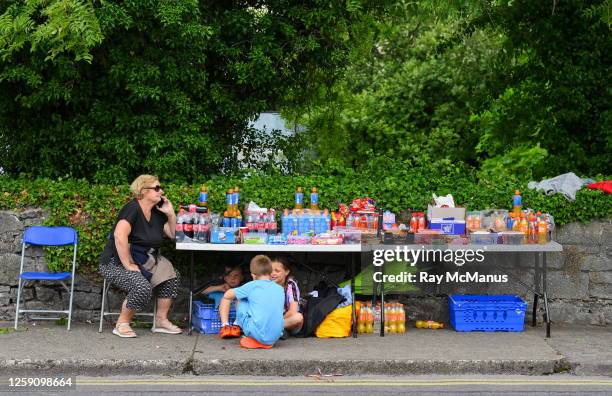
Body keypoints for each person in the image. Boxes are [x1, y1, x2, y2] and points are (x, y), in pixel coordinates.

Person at [99, 174, 182, 338]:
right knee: (141, 287)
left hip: (145, 260)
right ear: (142, 191)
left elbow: (172, 234)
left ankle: (160, 320)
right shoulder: (132, 208)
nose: (161, 191)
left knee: (172, 276)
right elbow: (119, 236)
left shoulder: (157, 213)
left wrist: (171, 214)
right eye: (157, 188)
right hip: (114, 262)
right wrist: (128, 265)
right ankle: (122, 324)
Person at [218, 255, 284, 349]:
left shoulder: (252, 285)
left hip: (256, 332)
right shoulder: (280, 289)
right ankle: (264, 342)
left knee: (241, 298)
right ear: (270, 272)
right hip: (276, 335)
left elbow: (227, 295)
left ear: (253, 275)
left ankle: (226, 326)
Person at [270, 256, 304, 337]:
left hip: (287, 320)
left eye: (277, 271)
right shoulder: (266, 283)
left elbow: (292, 311)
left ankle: (276, 329)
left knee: (298, 317)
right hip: (271, 320)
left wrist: (276, 322)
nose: (272, 274)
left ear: (286, 272)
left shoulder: (290, 284)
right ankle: (280, 331)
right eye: (270, 270)